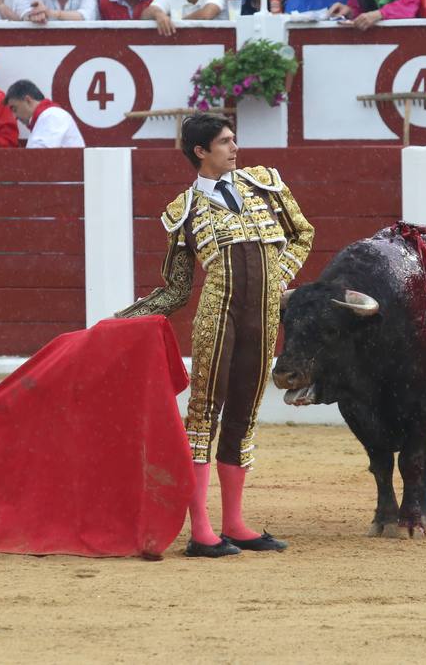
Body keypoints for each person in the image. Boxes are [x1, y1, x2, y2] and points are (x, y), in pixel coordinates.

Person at [116, 112, 313, 558]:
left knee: (244, 411)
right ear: (200, 151)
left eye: (233, 139)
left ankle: (235, 523)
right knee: (204, 415)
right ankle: (201, 530)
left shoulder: (264, 184)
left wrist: (277, 278)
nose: (235, 147)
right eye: (225, 142)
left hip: (261, 318)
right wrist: (125, 318)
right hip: (217, 317)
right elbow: (178, 288)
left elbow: (302, 234)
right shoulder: (182, 211)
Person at [4, 80, 85, 149]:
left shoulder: (52, 116)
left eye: (14, 109)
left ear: (28, 100)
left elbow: (39, 156)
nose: (14, 116)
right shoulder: (46, 117)